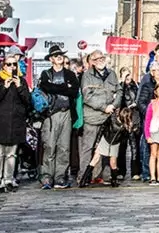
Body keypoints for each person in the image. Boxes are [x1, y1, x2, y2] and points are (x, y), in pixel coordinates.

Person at [35, 47, 79, 190]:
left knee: (64, 147)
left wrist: (58, 87)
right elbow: (46, 87)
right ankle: (47, 176)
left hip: (66, 112)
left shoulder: (70, 74)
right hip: (51, 114)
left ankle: (60, 176)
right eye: (55, 55)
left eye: (60, 54)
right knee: (50, 146)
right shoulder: (46, 73)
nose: (59, 57)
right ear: (51, 59)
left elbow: (74, 91)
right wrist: (63, 87)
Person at [0, 56, 28, 193]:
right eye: (8, 64)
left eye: (14, 64)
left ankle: (8, 180)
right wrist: (4, 87)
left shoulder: (22, 81)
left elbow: (28, 101)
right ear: (4, 66)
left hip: (15, 122)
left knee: (11, 155)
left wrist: (20, 87)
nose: (12, 67)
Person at [79, 50, 120, 186]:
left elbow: (119, 91)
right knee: (88, 147)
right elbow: (88, 97)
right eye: (96, 59)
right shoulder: (87, 76)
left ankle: (104, 175)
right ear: (92, 62)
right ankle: (84, 176)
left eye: (102, 58)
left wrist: (114, 105)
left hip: (109, 117)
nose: (100, 60)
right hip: (92, 117)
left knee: (108, 148)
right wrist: (104, 107)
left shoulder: (112, 74)